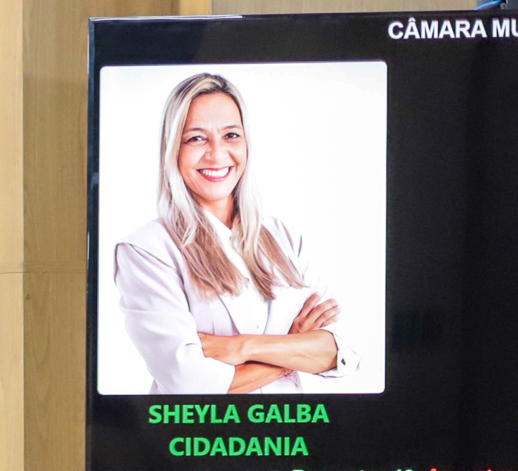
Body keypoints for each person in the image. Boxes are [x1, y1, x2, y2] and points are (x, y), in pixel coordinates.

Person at [112, 72, 349, 395]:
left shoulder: (284, 236)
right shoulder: (146, 250)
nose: (217, 153)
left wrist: (242, 347)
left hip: (291, 428)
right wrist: (292, 349)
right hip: (205, 429)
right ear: (173, 150)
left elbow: (338, 352)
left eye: (231, 135)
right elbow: (189, 383)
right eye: (196, 138)